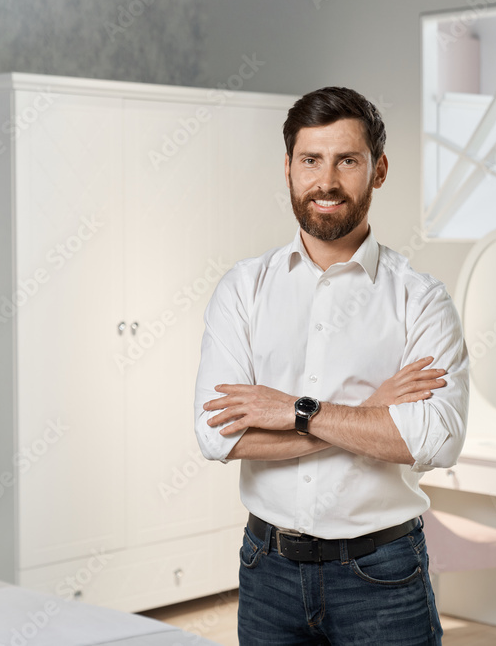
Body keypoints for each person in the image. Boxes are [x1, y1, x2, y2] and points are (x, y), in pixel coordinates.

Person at [193, 86, 469, 645]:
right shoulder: (243, 291)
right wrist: (370, 414)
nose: (327, 181)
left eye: (348, 160)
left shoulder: (421, 300)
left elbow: (437, 442)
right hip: (267, 570)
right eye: (310, 160)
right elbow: (215, 435)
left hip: (384, 575)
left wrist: (289, 411)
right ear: (289, 169)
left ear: (379, 169)